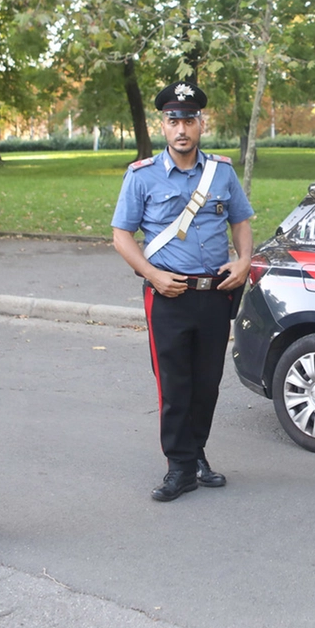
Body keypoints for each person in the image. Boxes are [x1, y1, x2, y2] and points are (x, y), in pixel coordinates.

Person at [111, 81, 254, 502]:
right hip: (168, 295)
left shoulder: (222, 172)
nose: (181, 129)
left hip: (215, 293)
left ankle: (197, 455)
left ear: (200, 124)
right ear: (163, 125)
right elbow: (121, 235)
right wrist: (151, 274)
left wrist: (244, 261)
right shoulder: (142, 175)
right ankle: (179, 466)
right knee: (174, 384)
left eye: (189, 120)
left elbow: (241, 221)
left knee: (207, 382)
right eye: (174, 120)